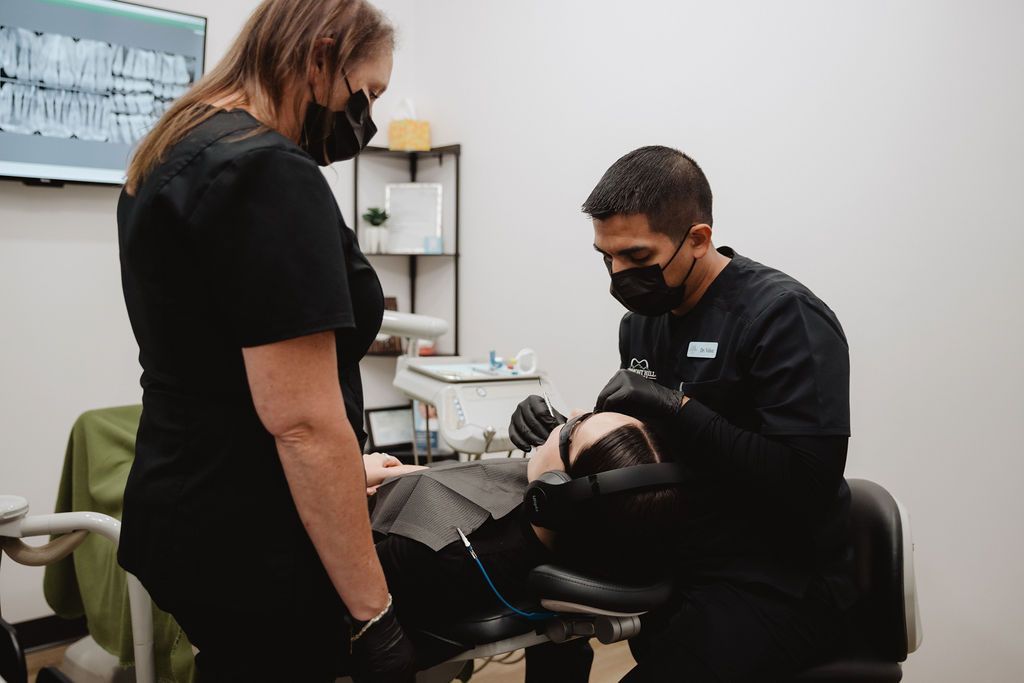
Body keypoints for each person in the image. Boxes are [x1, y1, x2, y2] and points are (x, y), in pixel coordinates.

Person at [115, 1, 413, 680]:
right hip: (249, 543)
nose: (366, 117)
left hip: (189, 511)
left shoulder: (174, 150)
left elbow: (215, 366)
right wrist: (375, 615)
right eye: (367, 94)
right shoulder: (268, 172)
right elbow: (302, 423)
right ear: (319, 56)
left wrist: (348, 472)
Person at [511, 146, 857, 681]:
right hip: (686, 554)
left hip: (779, 579)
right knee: (542, 598)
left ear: (697, 239)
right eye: (607, 257)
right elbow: (647, 447)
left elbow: (807, 481)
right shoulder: (642, 323)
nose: (619, 276)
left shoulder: (783, 318)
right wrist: (562, 432)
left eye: (638, 258)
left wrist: (678, 408)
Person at [362, 411, 685, 670]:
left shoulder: (440, 553)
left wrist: (353, 478)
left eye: (573, 428)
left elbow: (342, 578)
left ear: (556, 488)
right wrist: (414, 476)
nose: (569, 415)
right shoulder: (578, 527)